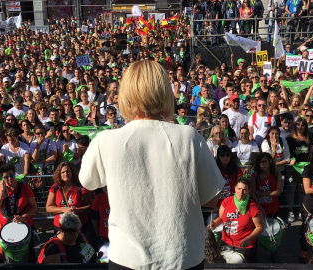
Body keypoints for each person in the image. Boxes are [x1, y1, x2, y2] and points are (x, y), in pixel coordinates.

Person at [79, 60, 225, 269]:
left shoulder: (105, 140)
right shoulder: (189, 137)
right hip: (182, 256)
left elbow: (88, 182)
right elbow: (212, 196)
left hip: (127, 258)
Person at [0, 163, 38, 263]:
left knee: (28, 256)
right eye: (6, 177)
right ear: (2, 178)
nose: (9, 179)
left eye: (11, 175)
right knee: (9, 258)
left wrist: (24, 216)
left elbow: (34, 207)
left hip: (24, 226)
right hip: (5, 229)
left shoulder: (25, 188)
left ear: (15, 174)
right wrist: (1, 190)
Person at [210, 179, 264, 262]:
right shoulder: (226, 201)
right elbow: (221, 218)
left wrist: (248, 239)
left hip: (244, 246)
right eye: (239, 188)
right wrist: (214, 224)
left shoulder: (253, 207)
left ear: (249, 191)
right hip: (226, 242)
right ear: (235, 188)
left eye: (244, 189)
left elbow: (259, 227)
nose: (241, 192)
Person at [45, 162, 93, 235]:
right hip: (60, 226)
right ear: (59, 174)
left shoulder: (80, 187)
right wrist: (63, 210)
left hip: (79, 225)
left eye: (68, 171)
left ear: (72, 172)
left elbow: (90, 206)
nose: (66, 174)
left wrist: (77, 210)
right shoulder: (55, 187)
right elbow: (48, 208)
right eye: (63, 172)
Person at [250, 153, 282, 217]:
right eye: (260, 162)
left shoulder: (277, 174)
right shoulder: (254, 176)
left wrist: (262, 194)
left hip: (273, 208)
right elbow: (252, 194)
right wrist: (259, 208)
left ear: (270, 161)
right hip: (259, 209)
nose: (262, 164)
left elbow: (278, 192)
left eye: (264, 161)